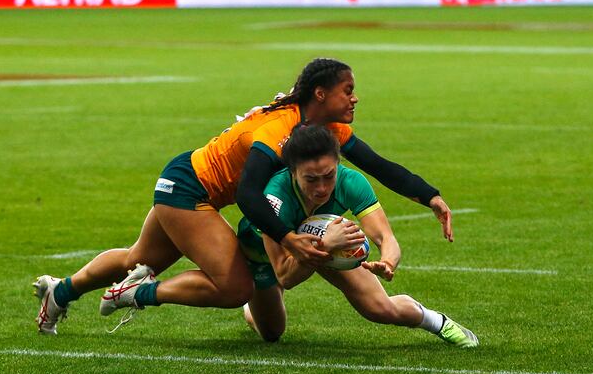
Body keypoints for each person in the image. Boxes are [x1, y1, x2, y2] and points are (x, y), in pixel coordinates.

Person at [34, 58, 454, 335]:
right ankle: (138, 293)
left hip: (187, 179)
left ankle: (61, 292)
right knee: (235, 288)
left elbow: (379, 165)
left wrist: (430, 196)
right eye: (347, 89)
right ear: (320, 95)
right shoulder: (278, 130)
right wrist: (290, 240)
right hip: (189, 189)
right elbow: (250, 195)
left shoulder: (323, 131)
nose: (354, 97)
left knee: (136, 259)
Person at [231, 125, 478, 347]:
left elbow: (386, 238)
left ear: (337, 164)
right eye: (311, 179)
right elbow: (286, 276)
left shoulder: (350, 182)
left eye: (329, 175)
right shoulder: (274, 197)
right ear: (292, 171)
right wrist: (325, 245)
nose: (322, 188)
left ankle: (439, 322)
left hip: (327, 243)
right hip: (265, 256)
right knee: (272, 332)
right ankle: (252, 304)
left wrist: (388, 261)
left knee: (379, 308)